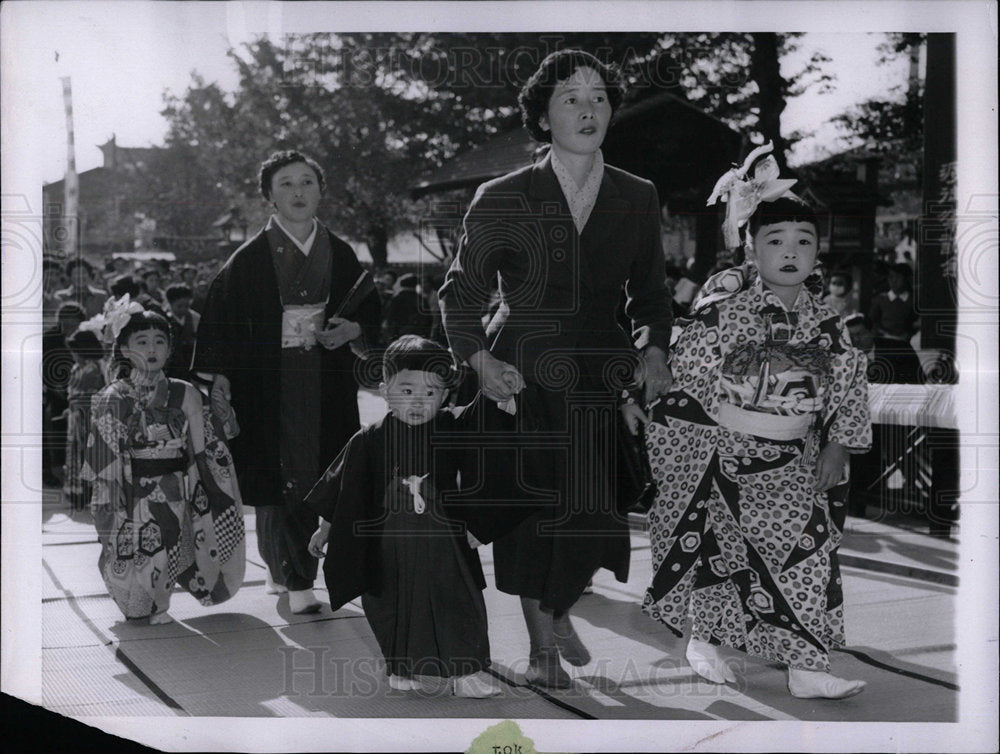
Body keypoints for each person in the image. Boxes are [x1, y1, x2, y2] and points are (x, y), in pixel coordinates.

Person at [438, 49, 674, 688]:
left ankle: (560, 605)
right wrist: (479, 361)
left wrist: (653, 352)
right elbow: (460, 295)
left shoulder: (636, 195)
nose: (588, 109)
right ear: (542, 117)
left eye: (598, 97)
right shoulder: (502, 195)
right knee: (531, 515)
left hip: (600, 376)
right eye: (570, 98)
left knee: (597, 515)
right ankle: (542, 646)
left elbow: (648, 297)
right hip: (522, 374)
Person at [638, 145, 872, 699]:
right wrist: (694, 452)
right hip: (723, 454)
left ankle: (807, 668)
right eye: (776, 241)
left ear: (819, 252)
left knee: (807, 553)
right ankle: (705, 642)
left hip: (795, 457)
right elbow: (689, 376)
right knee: (721, 556)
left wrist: (838, 443)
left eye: (803, 242)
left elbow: (848, 385)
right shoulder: (725, 305)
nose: (791, 252)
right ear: (751, 247)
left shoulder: (828, 323)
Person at [192, 150, 381, 614]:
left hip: (326, 376)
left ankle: (286, 568)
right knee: (282, 476)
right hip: (268, 383)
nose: (298, 192)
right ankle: (298, 580)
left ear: (320, 190)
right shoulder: (249, 259)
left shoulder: (339, 252)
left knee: (328, 468)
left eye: (306, 183)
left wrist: (352, 331)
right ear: (269, 198)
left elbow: (368, 310)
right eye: (286, 185)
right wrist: (221, 380)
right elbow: (221, 322)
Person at [305, 336, 504, 698]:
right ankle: (400, 667)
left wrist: (495, 390)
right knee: (391, 606)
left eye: (431, 393)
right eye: (407, 389)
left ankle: (466, 673)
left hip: (443, 539)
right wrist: (325, 529)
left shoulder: (451, 429)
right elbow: (342, 489)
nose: (418, 401)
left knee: (459, 599)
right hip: (388, 542)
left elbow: (483, 422)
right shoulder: (368, 440)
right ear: (384, 390)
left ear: (445, 397)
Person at [82, 297, 245, 624]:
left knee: (169, 544)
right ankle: (143, 605)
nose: (151, 348)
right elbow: (103, 453)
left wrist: (222, 419)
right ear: (124, 349)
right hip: (131, 485)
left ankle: (160, 604)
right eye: (141, 342)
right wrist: (110, 493)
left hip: (175, 483)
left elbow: (204, 444)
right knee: (137, 550)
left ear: (170, 350)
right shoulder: (114, 395)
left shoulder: (186, 392)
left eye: (160, 341)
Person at [42, 302, 86, 487]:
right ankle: (49, 470)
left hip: (79, 389)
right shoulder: (49, 338)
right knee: (52, 429)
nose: (69, 328)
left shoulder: (85, 336)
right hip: (54, 391)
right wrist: (53, 386)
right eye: (65, 324)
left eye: (73, 324)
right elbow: (42, 365)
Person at [62, 328, 106, 510]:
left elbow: (93, 396)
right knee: (76, 454)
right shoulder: (77, 368)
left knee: (86, 454)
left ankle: (89, 493)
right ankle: (77, 493)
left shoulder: (93, 369)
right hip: (76, 417)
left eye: (76, 351)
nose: (73, 355)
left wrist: (76, 406)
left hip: (87, 418)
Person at [869, 263, 919, 342]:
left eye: (898, 277)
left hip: (907, 341)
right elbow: (873, 321)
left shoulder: (914, 300)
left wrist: (909, 334)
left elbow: (917, 323)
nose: (894, 281)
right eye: (891, 277)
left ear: (907, 279)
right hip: (884, 340)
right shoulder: (880, 299)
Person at [164, 284, 200, 381]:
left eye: (187, 306)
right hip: (170, 365)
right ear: (170, 304)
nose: (184, 309)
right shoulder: (164, 318)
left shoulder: (194, 318)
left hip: (189, 364)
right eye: (179, 306)